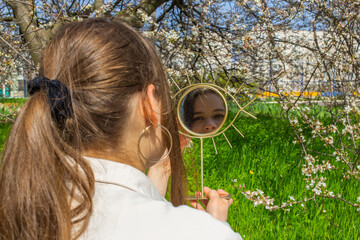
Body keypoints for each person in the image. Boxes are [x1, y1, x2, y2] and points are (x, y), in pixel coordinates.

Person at [0, 18, 242, 240]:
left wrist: (159, 174)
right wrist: (213, 229)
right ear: (149, 104)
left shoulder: (20, 210)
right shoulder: (197, 233)